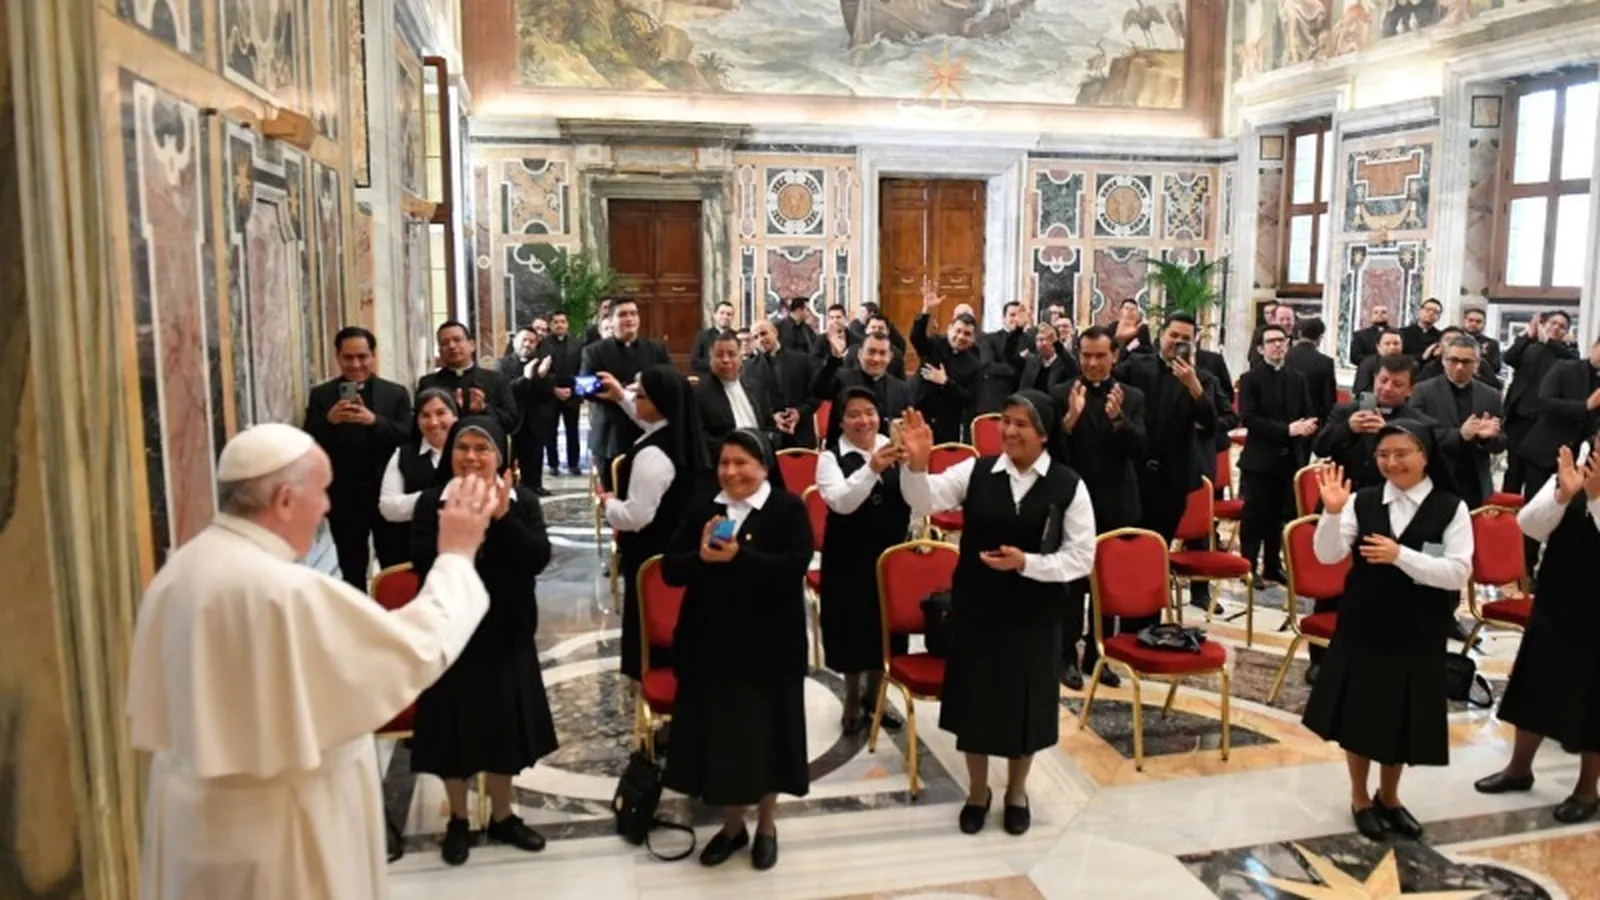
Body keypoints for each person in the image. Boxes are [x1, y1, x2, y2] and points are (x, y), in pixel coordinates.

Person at [128, 423, 495, 899]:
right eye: (322, 492)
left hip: (196, 830)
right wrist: (458, 556)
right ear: (284, 499)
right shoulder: (283, 593)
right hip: (279, 840)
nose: (326, 507)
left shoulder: (180, 572)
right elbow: (415, 650)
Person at [899, 394, 1096, 837]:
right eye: (1005, 421)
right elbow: (924, 501)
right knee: (977, 706)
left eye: (1021, 424)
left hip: (1034, 614)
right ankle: (977, 792)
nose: (1008, 431)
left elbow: (1081, 557)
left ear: (1044, 433)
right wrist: (917, 466)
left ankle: (1016, 792)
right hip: (978, 609)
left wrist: (1027, 563)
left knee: (1025, 708)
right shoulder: (978, 470)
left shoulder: (1068, 485)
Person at [1302, 424, 1473, 842]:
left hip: (1419, 626)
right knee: (1359, 713)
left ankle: (1390, 797)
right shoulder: (1362, 501)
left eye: (1402, 453)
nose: (1392, 463)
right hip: (1365, 622)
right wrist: (1332, 513)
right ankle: (1360, 797)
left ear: (1425, 455)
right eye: (1383, 455)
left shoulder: (1450, 507)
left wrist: (1400, 556)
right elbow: (1327, 554)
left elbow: (1457, 572)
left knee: (1402, 715)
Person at [661, 429, 814, 871]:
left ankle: (766, 825)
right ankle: (731, 828)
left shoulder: (787, 509)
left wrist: (738, 558)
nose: (730, 472)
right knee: (723, 741)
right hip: (713, 645)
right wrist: (700, 557)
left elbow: (793, 568)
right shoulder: (704, 507)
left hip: (769, 647)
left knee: (768, 740)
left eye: (741, 462)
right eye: (724, 463)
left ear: (763, 466)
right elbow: (670, 568)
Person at [408, 417, 557, 866]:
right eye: (463, 447)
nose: (471, 457)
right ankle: (458, 817)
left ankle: (503, 815)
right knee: (451, 731)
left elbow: (536, 559)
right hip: (451, 632)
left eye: (482, 449)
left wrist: (502, 518)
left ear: (500, 456)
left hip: (506, 629)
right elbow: (422, 562)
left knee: (504, 729)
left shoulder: (521, 502)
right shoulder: (433, 501)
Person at [1474, 441, 1600, 824]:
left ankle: (1587, 789)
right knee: (1535, 683)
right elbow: (1529, 524)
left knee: (1592, 698)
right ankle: (1518, 768)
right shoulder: (1574, 469)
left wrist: (1595, 499)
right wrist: (1562, 496)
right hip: (1557, 596)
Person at [593, 365, 711, 683]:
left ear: (660, 403)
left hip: (650, 553)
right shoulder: (681, 435)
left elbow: (635, 517)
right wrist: (621, 397)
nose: (634, 399)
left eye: (640, 395)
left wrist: (608, 503)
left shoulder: (653, 455)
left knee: (651, 623)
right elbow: (646, 420)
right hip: (677, 548)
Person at [1051, 326, 1145, 690]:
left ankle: (1098, 654)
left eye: (1100, 356)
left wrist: (1119, 419)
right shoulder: (1060, 393)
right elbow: (1049, 454)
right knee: (1071, 585)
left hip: (1116, 500)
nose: (1092, 363)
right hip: (1072, 502)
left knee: (1106, 583)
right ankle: (1066, 657)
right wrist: (1069, 421)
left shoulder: (1132, 396)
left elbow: (1141, 448)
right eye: (1086, 356)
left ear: (1114, 356)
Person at [815, 387, 911, 733]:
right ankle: (853, 699)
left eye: (869, 412)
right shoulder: (830, 459)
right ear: (840, 421)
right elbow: (842, 502)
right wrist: (871, 468)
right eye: (853, 414)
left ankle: (876, 696)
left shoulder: (893, 445)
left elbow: (914, 493)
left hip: (890, 554)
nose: (864, 421)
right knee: (852, 629)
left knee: (884, 628)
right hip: (849, 558)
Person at [304, 326, 414, 588]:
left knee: (393, 565)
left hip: (388, 492)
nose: (355, 364)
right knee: (351, 568)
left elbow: (408, 437)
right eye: (348, 357)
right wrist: (329, 421)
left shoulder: (396, 393)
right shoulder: (321, 395)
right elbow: (307, 441)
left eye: (362, 356)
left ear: (373, 356)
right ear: (337, 357)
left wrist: (375, 421)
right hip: (344, 496)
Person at [376, 388, 459, 565]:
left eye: (441, 413)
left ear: (455, 415)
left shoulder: (471, 453)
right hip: (415, 554)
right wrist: (440, 498)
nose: (433, 422)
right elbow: (388, 507)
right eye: (425, 415)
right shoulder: (403, 455)